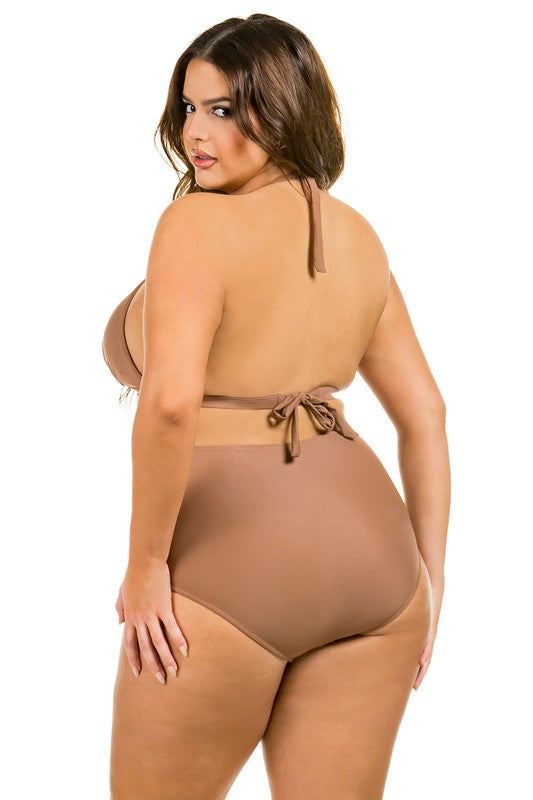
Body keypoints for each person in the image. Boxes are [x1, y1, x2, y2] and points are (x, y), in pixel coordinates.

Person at [102, 13, 450, 800]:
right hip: (376, 570)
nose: (195, 132)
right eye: (188, 107)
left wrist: (147, 565)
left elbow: (169, 404)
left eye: (224, 110)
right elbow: (425, 413)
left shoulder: (193, 223)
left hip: (231, 565)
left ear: (285, 108)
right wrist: (428, 581)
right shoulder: (357, 233)